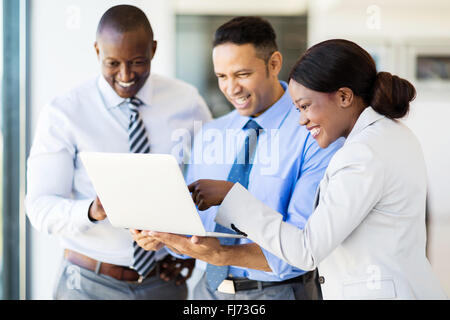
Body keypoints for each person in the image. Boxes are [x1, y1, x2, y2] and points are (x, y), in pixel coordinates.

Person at [153, 39, 448, 299]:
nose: (301, 120)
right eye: (297, 109)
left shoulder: (362, 155)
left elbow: (306, 251)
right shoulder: (391, 133)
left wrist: (232, 196)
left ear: (344, 97)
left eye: (306, 106)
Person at [133, 17, 343, 300]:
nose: (231, 88)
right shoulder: (210, 133)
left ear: (274, 63)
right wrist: (163, 237)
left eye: (242, 74)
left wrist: (222, 255)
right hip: (208, 292)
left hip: (279, 293)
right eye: (222, 76)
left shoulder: (314, 134)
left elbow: (302, 248)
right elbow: (193, 225)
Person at [25, 5, 212, 300]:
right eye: (113, 63)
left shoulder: (186, 102)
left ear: (153, 49)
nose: (125, 75)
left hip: (163, 282)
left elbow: (211, 182)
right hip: (87, 284)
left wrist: (189, 250)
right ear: (97, 51)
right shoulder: (64, 112)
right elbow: (39, 208)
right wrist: (93, 210)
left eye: (137, 62)